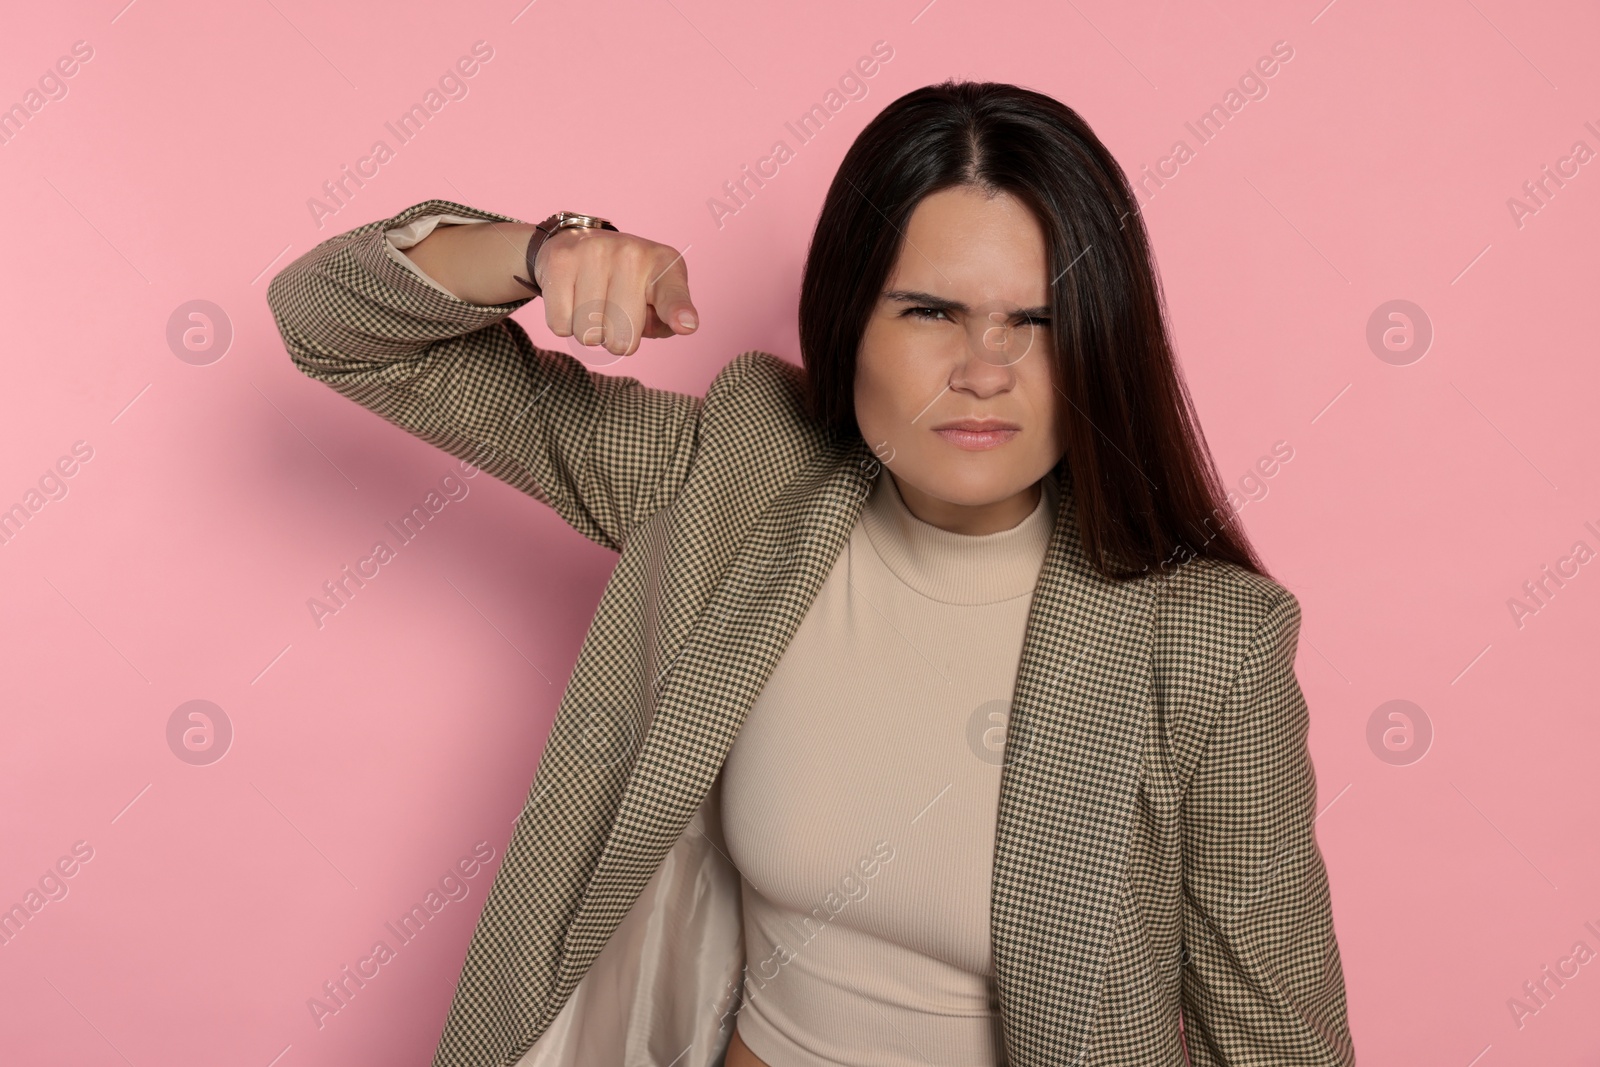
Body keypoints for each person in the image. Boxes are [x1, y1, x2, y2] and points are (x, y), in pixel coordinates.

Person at [266, 79, 1355, 1067]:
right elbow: (335, 328)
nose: (985, 370)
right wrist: (546, 246)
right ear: (848, 318)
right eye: (931, 311)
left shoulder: (1209, 641)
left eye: (1040, 320)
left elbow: (1275, 1047)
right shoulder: (733, 478)